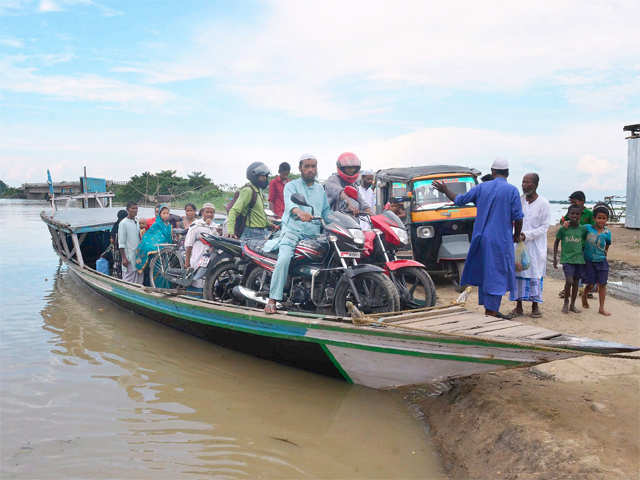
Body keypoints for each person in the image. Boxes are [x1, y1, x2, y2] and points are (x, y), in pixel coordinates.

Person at [433, 158, 523, 318]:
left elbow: (460, 200)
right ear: (507, 173)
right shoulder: (512, 191)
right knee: (497, 274)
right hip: (501, 241)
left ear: (493, 172)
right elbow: (518, 217)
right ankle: (491, 311)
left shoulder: (481, 187)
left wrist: (446, 190)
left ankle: (490, 309)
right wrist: (515, 236)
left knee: (486, 272)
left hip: (481, 240)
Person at [263, 154, 332, 314]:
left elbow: (326, 212)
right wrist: (299, 212)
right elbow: (290, 204)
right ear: (300, 168)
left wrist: (341, 219)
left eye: (313, 166)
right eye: (307, 166)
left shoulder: (320, 189)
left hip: (314, 235)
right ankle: (272, 299)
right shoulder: (291, 186)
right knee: (284, 258)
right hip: (293, 231)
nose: (310, 169)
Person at [509, 173, 550, 318]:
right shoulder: (519, 201)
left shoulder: (543, 203)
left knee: (535, 275)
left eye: (528, 183)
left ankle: (535, 306)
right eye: (523, 182)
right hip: (519, 245)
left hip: (535, 247)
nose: (525, 185)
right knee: (518, 272)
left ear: (536, 184)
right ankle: (518, 306)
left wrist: (527, 235)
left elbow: (544, 227)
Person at [553, 205, 588, 314]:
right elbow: (556, 241)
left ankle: (572, 305)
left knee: (576, 283)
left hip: (579, 260)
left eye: (577, 214)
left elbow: (589, 240)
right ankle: (566, 302)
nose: (575, 216)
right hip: (567, 259)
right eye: (572, 213)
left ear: (580, 215)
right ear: (568, 215)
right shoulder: (563, 229)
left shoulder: (582, 229)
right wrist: (554, 257)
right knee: (569, 281)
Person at [227, 162, 273, 241]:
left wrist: (270, 224)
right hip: (252, 234)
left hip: (261, 232)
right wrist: (230, 231)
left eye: (266, 176)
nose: (265, 179)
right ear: (254, 176)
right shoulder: (248, 190)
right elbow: (233, 211)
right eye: (263, 176)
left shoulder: (259, 191)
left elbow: (259, 215)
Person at [581, 206, 612, 316]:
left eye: (604, 218)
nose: (601, 220)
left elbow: (608, 243)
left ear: (607, 219)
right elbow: (577, 232)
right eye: (599, 218)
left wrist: (605, 253)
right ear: (594, 218)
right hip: (588, 261)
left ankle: (601, 308)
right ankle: (584, 294)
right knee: (591, 283)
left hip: (602, 261)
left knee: (602, 284)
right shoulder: (587, 228)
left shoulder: (607, 232)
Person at [135, 204, 173, 286]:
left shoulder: (169, 225)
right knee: (158, 271)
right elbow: (150, 236)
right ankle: (156, 287)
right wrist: (154, 246)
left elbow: (169, 238)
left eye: (167, 213)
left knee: (166, 270)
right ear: (160, 214)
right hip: (157, 250)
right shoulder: (156, 224)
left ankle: (166, 288)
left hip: (165, 251)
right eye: (164, 213)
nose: (166, 215)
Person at [184, 203, 219, 288]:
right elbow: (189, 244)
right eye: (207, 212)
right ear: (202, 212)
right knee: (195, 279)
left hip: (209, 257)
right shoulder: (196, 225)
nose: (209, 214)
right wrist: (187, 261)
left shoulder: (215, 226)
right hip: (196, 256)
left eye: (212, 213)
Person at [118, 202, 142, 284]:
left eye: (136, 208)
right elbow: (121, 243)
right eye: (133, 208)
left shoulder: (136, 221)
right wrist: (124, 258)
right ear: (128, 210)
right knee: (128, 280)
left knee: (139, 279)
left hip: (137, 256)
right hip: (129, 256)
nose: (135, 210)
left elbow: (139, 237)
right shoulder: (123, 223)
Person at [110, 209, 128, 278]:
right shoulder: (117, 225)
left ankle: (121, 276)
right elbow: (112, 239)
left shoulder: (124, 224)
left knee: (122, 263)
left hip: (123, 248)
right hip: (117, 248)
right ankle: (117, 276)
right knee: (117, 263)